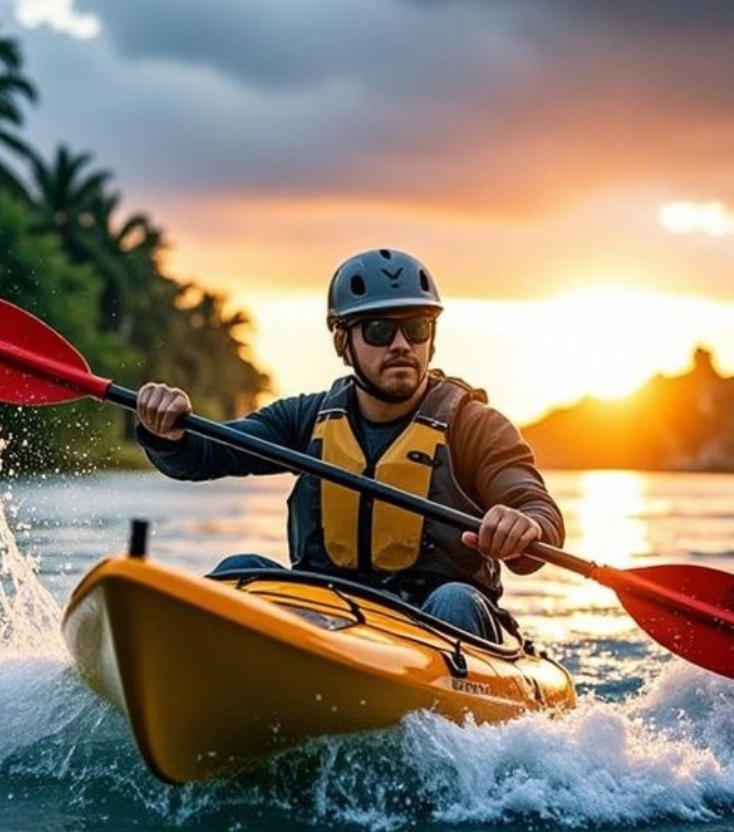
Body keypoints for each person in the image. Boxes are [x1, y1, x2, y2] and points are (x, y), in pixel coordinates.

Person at [134, 248, 564, 643]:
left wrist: (524, 525)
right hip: (328, 615)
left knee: (454, 599)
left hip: (440, 628)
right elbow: (202, 454)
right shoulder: (305, 419)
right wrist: (165, 432)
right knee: (240, 571)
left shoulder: (475, 427)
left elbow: (537, 509)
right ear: (343, 343)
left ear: (432, 338)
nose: (401, 345)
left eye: (416, 328)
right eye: (379, 331)